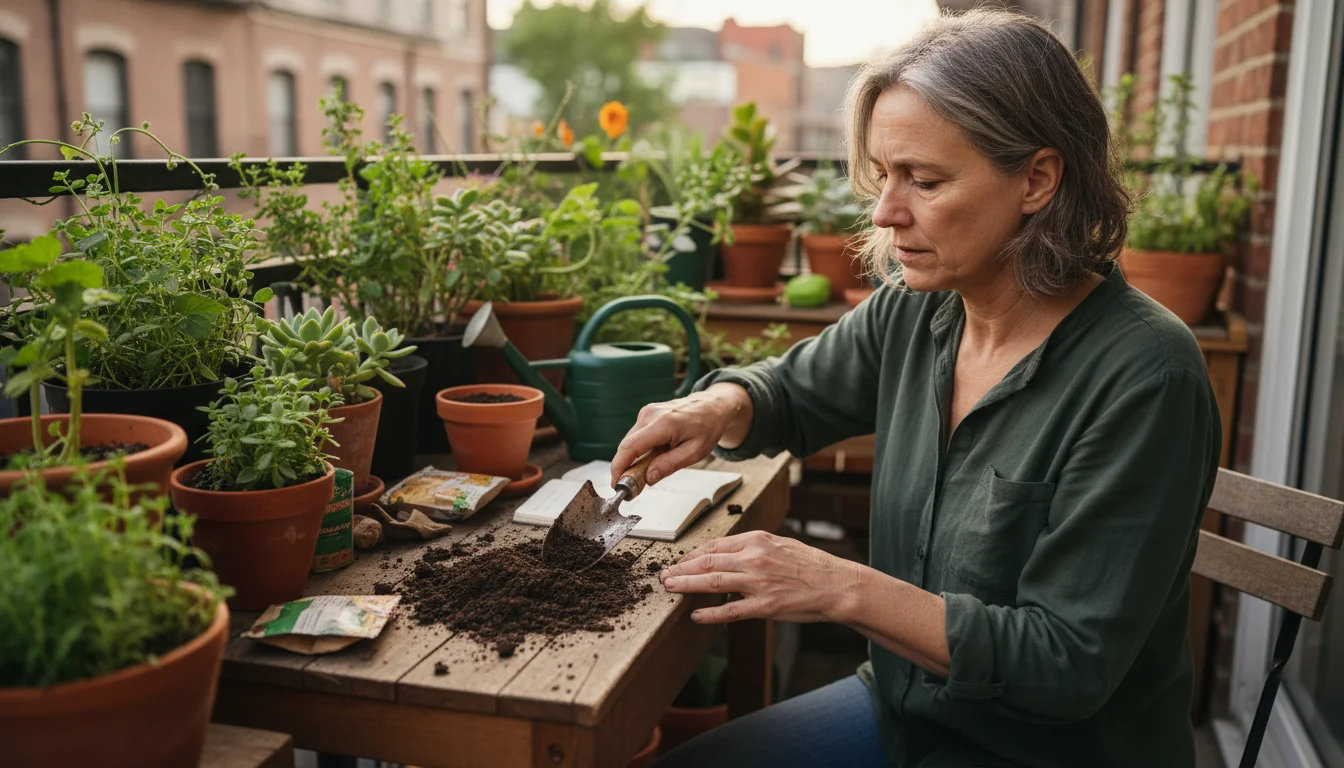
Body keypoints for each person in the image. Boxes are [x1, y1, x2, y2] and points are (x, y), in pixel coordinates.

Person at [610, 9, 1221, 768]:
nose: (884, 212)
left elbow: (1067, 663)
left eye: (924, 181)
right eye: (883, 175)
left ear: (1037, 178)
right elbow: (793, 392)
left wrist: (836, 586)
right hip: (903, 713)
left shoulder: (1145, 374)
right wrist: (718, 403)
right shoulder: (920, 307)